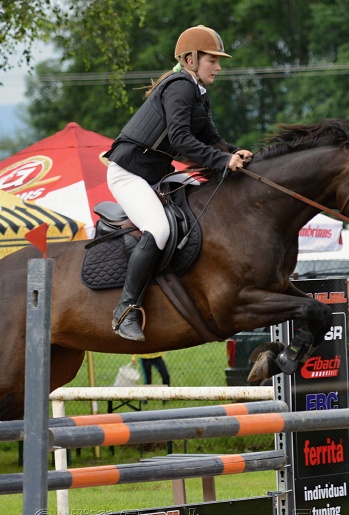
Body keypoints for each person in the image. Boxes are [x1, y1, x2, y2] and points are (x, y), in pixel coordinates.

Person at [105, 24, 253, 341]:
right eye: (212, 60)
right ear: (190, 60)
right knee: (158, 229)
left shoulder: (198, 93)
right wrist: (223, 160)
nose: (218, 66)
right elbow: (180, 139)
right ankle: (125, 310)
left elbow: (211, 138)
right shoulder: (180, 87)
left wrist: (234, 152)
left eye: (218, 60)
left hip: (154, 174)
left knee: (201, 201)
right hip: (128, 173)